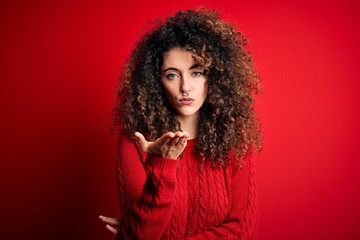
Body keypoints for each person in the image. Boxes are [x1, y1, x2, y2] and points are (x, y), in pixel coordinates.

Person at [99, 8, 262, 239]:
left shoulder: (234, 139)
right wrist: (163, 164)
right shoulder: (135, 140)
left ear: (213, 77)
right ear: (156, 81)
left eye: (196, 73)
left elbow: (241, 229)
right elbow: (143, 235)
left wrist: (130, 231)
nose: (185, 87)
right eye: (172, 75)